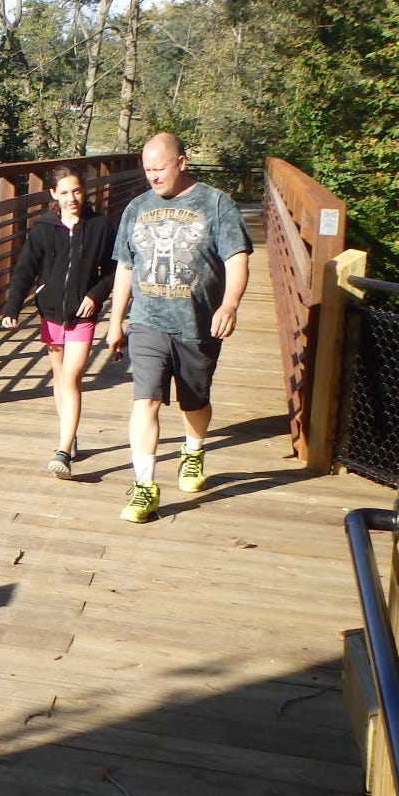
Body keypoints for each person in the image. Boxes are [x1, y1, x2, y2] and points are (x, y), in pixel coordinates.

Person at [105, 132, 252, 523]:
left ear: (182, 162)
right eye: (147, 170)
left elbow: (237, 258)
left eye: (160, 169)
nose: (153, 177)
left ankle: (193, 449)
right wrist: (116, 319)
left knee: (195, 401)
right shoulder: (136, 207)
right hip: (147, 321)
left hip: (196, 323)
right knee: (145, 400)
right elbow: (125, 266)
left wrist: (230, 304)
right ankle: (144, 486)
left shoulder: (215, 203)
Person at [0, 165, 118, 480]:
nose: (72, 198)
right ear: (54, 194)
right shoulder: (43, 228)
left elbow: (113, 270)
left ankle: (63, 450)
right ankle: (70, 430)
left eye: (76, 190)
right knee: (58, 375)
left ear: (85, 190)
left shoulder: (100, 226)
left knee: (72, 377)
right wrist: (12, 306)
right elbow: (25, 268)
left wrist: (96, 295)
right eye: (64, 192)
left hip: (83, 313)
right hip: (50, 311)